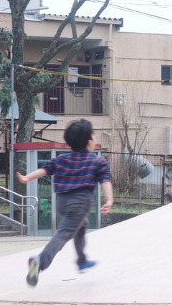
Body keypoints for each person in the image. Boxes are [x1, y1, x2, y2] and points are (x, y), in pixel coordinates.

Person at [16, 118, 113, 286]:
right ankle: (41, 261)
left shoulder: (62, 159)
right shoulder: (97, 161)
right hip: (80, 203)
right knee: (64, 233)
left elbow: (45, 170)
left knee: (81, 225)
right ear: (90, 141)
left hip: (61, 202)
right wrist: (109, 199)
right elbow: (105, 180)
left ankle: (81, 260)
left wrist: (27, 178)